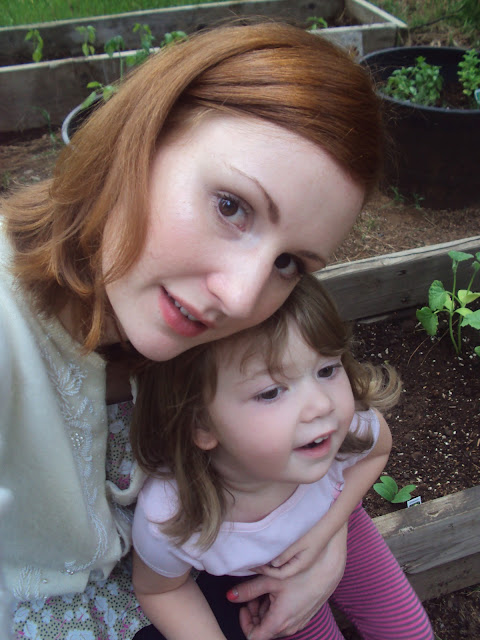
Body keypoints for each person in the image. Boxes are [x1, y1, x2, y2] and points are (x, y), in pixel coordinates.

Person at [0, 21, 385, 640]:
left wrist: (326, 541)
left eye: (290, 262)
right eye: (231, 206)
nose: (240, 298)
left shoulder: (210, 321)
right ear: (142, 136)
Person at [130, 274, 434, 640]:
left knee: (410, 633)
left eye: (326, 370)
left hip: (345, 529)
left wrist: (328, 529)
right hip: (264, 581)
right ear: (201, 424)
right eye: (272, 392)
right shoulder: (172, 514)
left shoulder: (342, 431)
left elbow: (375, 452)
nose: (320, 405)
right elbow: (161, 590)